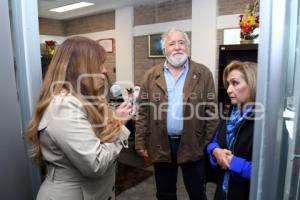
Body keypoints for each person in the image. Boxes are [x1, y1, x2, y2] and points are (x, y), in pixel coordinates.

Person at [26, 36, 133, 200]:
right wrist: (119, 124)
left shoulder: (82, 101)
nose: (105, 70)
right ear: (80, 68)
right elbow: (95, 164)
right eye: (99, 64)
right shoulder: (63, 106)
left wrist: (113, 117)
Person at [135, 28, 218, 200]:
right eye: (171, 43)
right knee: (165, 193)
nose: (177, 47)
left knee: (197, 192)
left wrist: (205, 142)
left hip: (193, 143)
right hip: (161, 143)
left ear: (188, 47)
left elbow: (211, 111)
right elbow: (143, 111)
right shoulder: (151, 75)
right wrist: (140, 141)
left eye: (181, 43)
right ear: (164, 49)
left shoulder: (203, 73)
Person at [206, 61, 257, 200]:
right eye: (228, 84)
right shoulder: (230, 112)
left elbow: (270, 172)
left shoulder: (264, 121)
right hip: (224, 188)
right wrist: (215, 151)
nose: (228, 90)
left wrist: (232, 162)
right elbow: (213, 142)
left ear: (253, 84)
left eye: (235, 83)